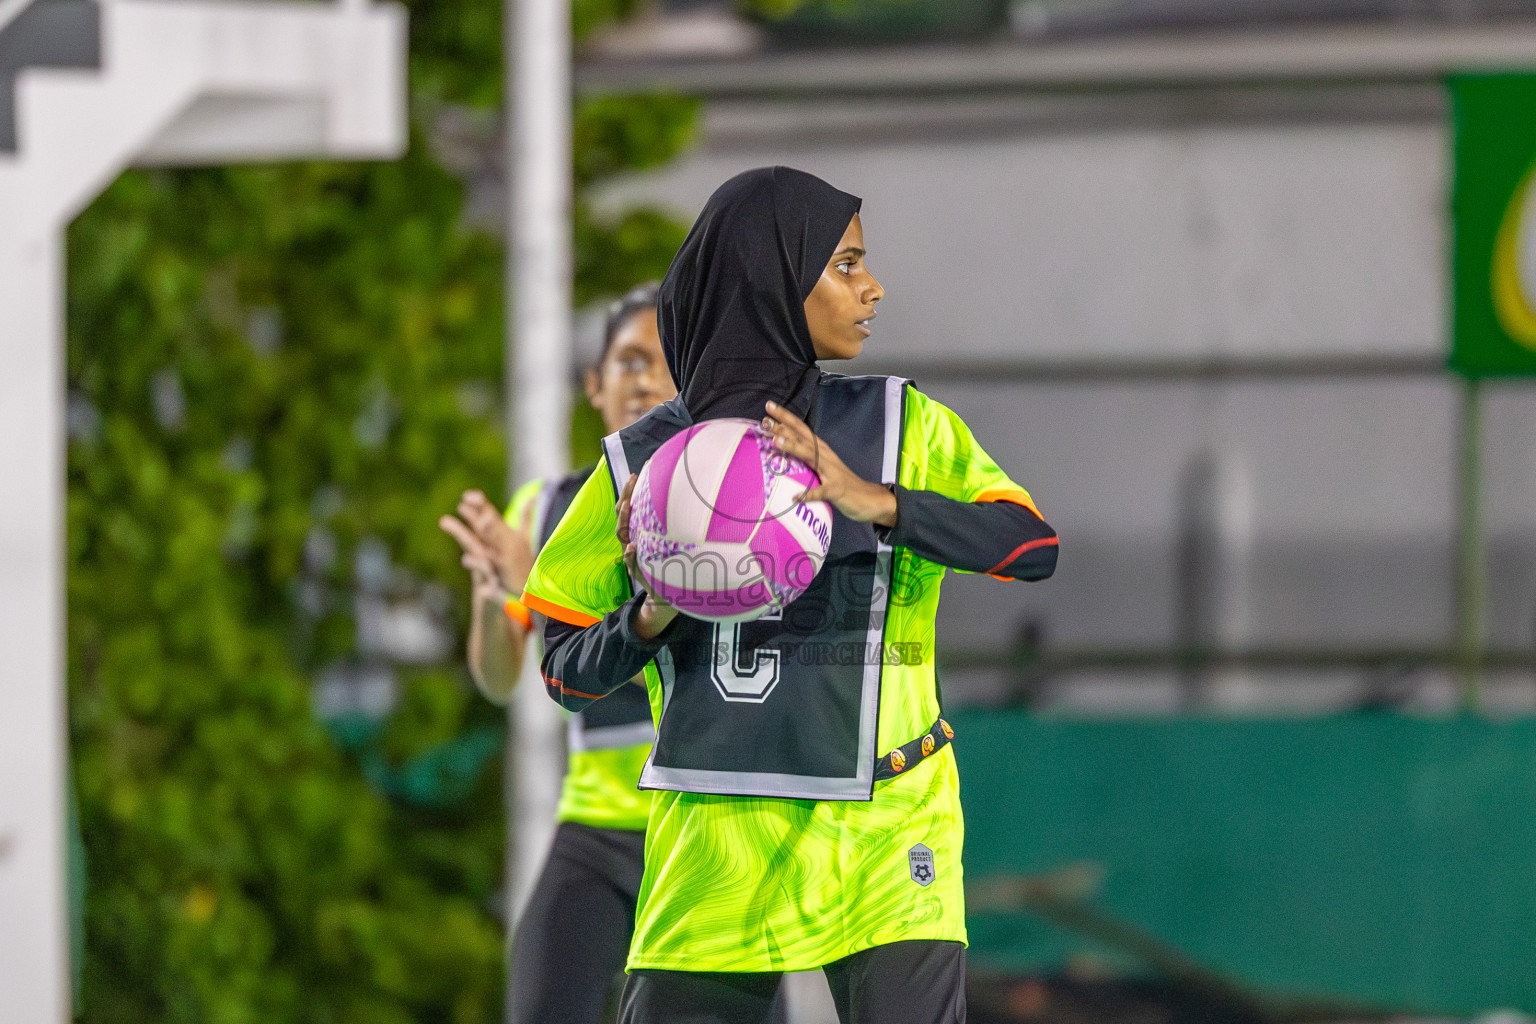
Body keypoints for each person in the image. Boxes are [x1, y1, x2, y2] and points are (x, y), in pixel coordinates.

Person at [521, 167, 1059, 1024]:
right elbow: (564, 674)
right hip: (717, 835)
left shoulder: (899, 426)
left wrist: (876, 502)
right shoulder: (640, 464)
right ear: (769, 280)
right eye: (845, 265)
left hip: (886, 826)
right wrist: (652, 613)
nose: (873, 287)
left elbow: (1030, 546)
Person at [439, 284, 677, 1024]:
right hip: (597, 829)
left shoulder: (727, 507)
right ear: (594, 384)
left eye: (665, 362)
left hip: (700, 825)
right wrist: (497, 598)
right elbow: (499, 678)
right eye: (628, 360)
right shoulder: (543, 514)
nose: (645, 378)